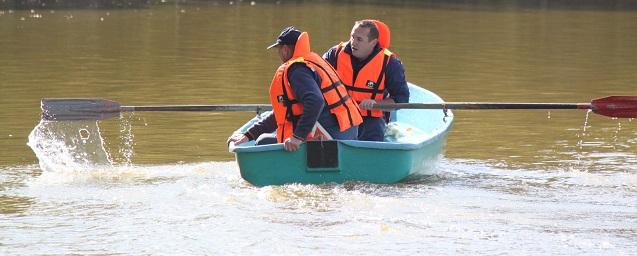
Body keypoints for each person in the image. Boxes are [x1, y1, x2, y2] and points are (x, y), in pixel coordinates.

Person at [227, 26, 362, 152]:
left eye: (279, 50)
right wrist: (248, 135)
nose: (279, 55)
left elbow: (315, 101)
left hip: (330, 138)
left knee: (263, 142)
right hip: (346, 133)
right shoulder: (312, 61)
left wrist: (298, 137)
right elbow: (284, 113)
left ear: (285, 49)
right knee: (265, 137)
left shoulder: (297, 70)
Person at [323, 19, 409, 141]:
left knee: (372, 139)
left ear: (373, 43)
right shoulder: (335, 54)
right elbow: (315, 78)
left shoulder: (390, 64)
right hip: (339, 113)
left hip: (370, 118)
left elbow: (401, 99)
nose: (353, 43)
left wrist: (376, 104)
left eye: (359, 39)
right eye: (352, 37)